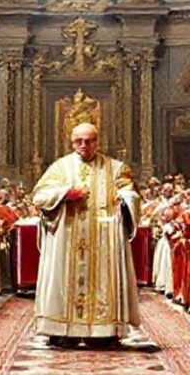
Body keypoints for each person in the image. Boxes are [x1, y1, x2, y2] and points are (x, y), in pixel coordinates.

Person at [31, 122, 141, 347]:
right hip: (67, 237)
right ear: (71, 142)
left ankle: (105, 330)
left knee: (104, 280)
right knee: (63, 280)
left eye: (89, 140)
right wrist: (63, 194)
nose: (84, 145)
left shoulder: (115, 168)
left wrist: (124, 200)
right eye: (79, 141)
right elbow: (39, 195)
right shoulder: (59, 168)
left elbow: (132, 194)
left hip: (104, 239)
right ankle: (62, 330)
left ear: (97, 142)